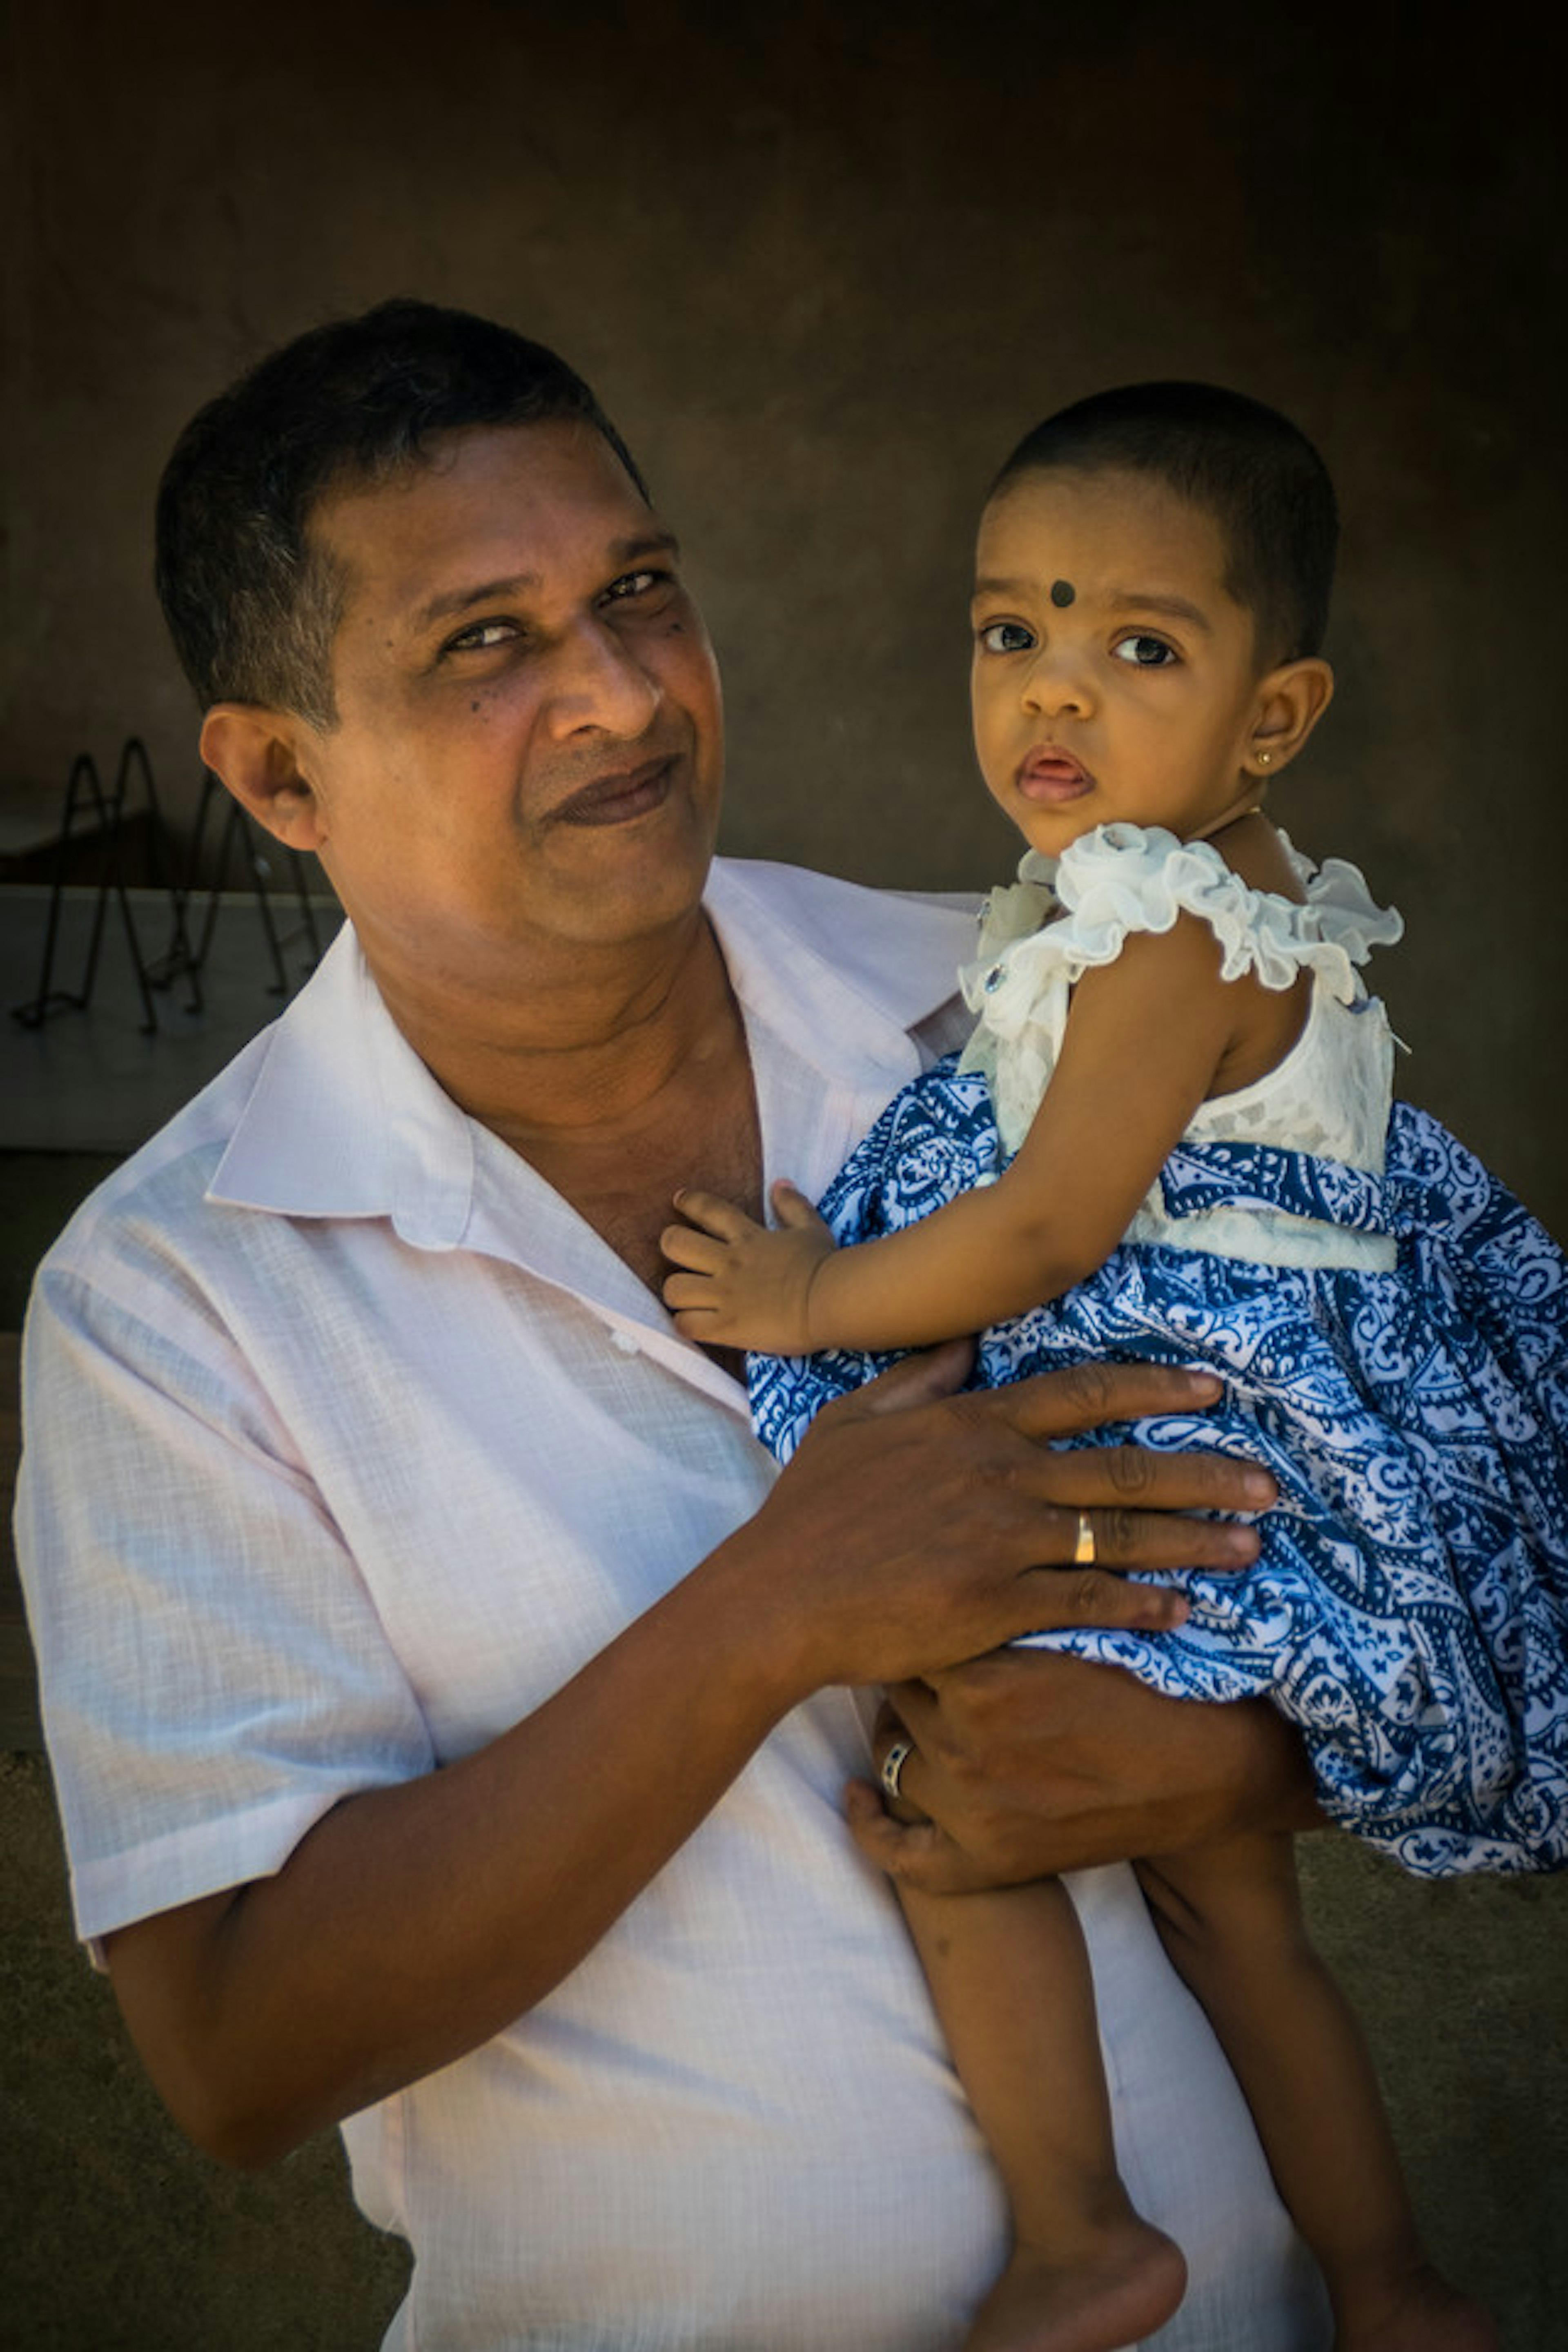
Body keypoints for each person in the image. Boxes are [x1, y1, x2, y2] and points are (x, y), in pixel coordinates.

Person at [16, 307, 1345, 2352]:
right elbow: (238, 2050)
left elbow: (1402, 1518)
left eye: (639, 594)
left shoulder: (1018, 1019)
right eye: (488, 644)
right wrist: (781, 1602)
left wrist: (1248, 1760)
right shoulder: (179, 1294)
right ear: (282, 773)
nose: (625, 695)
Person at [662, 383, 1568, 2350]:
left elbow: (1059, 1229)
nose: (1053, 697)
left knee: (962, 1804)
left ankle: (1081, 2242)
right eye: (1014, 635)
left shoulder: (1175, 937)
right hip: (1227, 1454)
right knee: (1243, 1929)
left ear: (1274, 719)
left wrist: (813, 1303)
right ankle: (1395, 2289)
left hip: (1180, 1455)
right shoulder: (1152, 909)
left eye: (1137, 647)